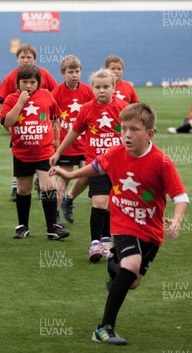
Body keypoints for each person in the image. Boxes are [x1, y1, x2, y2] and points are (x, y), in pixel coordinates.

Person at [50, 103, 189, 344]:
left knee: (132, 281)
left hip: (151, 230)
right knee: (131, 266)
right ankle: (103, 329)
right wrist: (70, 175)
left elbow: (180, 196)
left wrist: (176, 220)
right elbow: (96, 167)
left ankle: (113, 266)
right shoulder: (115, 153)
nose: (126, 134)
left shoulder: (161, 162)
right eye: (123, 128)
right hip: (123, 222)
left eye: (134, 129)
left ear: (149, 134)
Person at [50, 69, 128, 262]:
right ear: (92, 88)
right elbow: (74, 132)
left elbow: (133, 133)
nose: (102, 91)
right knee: (100, 202)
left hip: (118, 166)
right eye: (97, 87)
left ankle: (106, 240)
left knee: (111, 204)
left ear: (114, 87)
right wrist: (58, 151)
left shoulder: (123, 108)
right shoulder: (86, 109)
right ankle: (94, 243)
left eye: (106, 87)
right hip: (97, 165)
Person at [0, 64, 69, 240]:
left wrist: (56, 143)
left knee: (49, 187)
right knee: (23, 190)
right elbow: (7, 122)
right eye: (25, 82)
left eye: (32, 82)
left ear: (38, 83)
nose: (29, 86)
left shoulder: (46, 96)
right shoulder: (11, 99)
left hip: (44, 152)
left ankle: (52, 226)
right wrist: (20, 102)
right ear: (18, 83)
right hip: (22, 153)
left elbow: (55, 119)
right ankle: (23, 226)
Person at [0, 44, 58, 201]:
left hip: (40, 127)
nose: (26, 60)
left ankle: (42, 182)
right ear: (17, 59)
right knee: (20, 153)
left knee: (44, 154)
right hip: (19, 124)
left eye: (29, 57)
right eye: (22, 57)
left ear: (35, 59)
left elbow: (56, 94)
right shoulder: (12, 76)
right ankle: (16, 187)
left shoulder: (44, 74)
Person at [51, 55, 94, 225]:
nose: (74, 75)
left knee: (88, 176)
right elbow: (49, 115)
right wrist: (54, 140)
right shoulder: (57, 93)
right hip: (67, 143)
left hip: (85, 143)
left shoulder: (87, 91)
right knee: (64, 178)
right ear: (63, 73)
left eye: (77, 71)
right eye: (70, 72)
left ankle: (69, 200)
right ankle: (54, 214)